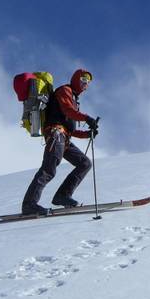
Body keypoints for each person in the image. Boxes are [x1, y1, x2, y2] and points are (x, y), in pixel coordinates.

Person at [20, 68, 100, 215]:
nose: (85, 84)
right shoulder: (65, 91)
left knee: (85, 163)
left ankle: (62, 196)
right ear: (76, 79)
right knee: (48, 169)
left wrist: (87, 134)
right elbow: (68, 110)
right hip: (55, 134)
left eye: (87, 82)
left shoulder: (74, 99)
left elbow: (70, 129)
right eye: (83, 80)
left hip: (64, 138)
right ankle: (29, 204)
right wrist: (87, 118)